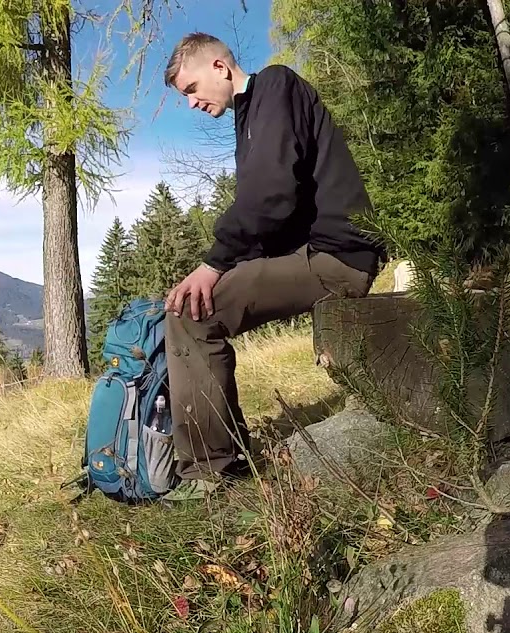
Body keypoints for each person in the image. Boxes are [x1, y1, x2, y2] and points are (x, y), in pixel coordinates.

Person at [160, 32, 383, 490]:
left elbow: (270, 197)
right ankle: (226, 451)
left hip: (337, 258)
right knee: (196, 305)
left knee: (191, 315)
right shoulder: (250, 116)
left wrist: (215, 263)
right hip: (319, 253)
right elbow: (279, 212)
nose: (191, 103)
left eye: (191, 89)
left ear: (220, 67)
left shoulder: (275, 87)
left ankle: (209, 473)